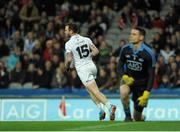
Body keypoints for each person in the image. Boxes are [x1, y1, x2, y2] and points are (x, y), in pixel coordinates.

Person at [64, 23, 116, 121]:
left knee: (95, 91)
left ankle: (110, 106)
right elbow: (96, 51)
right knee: (91, 90)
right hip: (92, 66)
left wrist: (67, 66)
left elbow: (69, 59)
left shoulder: (69, 44)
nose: (65, 32)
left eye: (66, 30)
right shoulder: (86, 39)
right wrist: (87, 56)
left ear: (71, 31)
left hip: (83, 70)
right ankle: (101, 110)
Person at [117, 27, 156, 121]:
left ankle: (140, 117)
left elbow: (151, 75)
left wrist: (147, 92)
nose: (131, 36)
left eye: (134, 34)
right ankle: (127, 116)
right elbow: (120, 65)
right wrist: (124, 76)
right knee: (123, 92)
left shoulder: (149, 53)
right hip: (128, 79)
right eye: (131, 34)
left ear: (141, 37)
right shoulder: (125, 49)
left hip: (142, 84)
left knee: (137, 117)